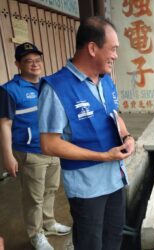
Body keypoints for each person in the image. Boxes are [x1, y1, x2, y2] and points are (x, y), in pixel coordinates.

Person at [38, 16, 135, 250]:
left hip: (115, 178)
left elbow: (114, 115)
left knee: (114, 238)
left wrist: (127, 136)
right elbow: (49, 144)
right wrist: (103, 156)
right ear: (92, 48)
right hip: (87, 188)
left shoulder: (106, 81)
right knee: (91, 243)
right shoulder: (56, 88)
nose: (115, 55)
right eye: (112, 49)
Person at [0, 42, 71, 250]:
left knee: (50, 190)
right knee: (33, 197)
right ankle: (36, 234)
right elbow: (4, 124)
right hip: (30, 151)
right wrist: (8, 156)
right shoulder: (9, 91)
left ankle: (48, 224)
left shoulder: (47, 85)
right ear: (17, 64)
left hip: (52, 147)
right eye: (28, 61)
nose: (34, 64)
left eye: (37, 60)